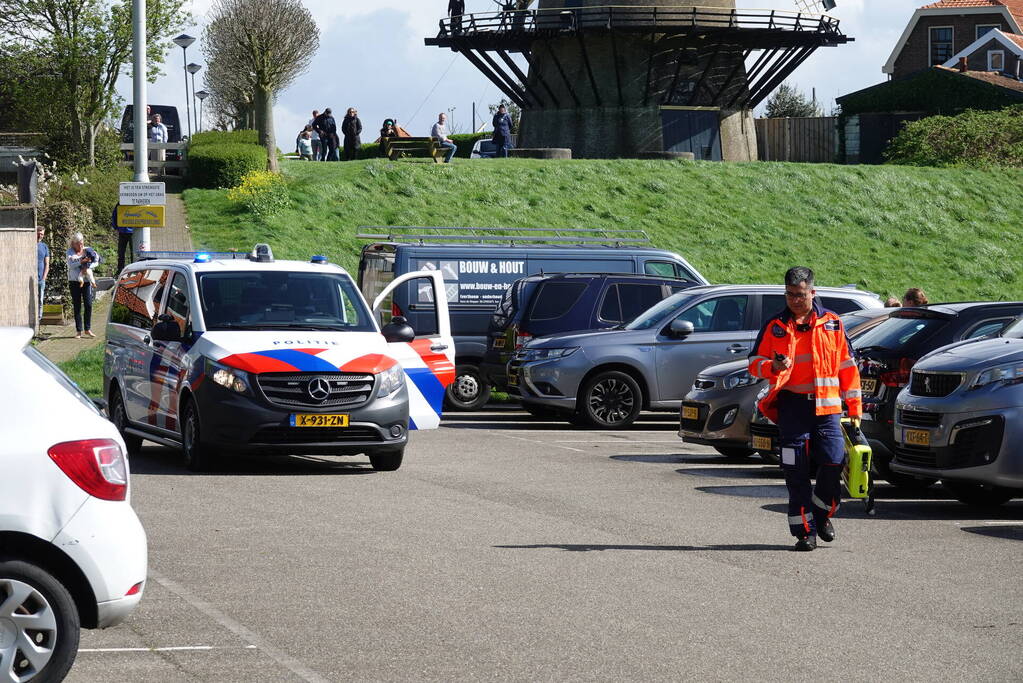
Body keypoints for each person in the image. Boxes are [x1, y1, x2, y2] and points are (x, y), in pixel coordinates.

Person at [748, 267, 862, 552]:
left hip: (827, 407)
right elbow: (753, 362)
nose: (795, 300)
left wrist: (855, 407)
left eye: (800, 295)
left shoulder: (833, 323)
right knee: (795, 471)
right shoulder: (775, 325)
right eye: (790, 294)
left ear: (813, 292)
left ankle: (822, 515)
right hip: (792, 408)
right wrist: (771, 366)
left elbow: (848, 367)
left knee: (834, 461)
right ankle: (805, 533)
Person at [67, 232, 100, 339]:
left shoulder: (88, 250)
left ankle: (87, 329)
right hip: (74, 281)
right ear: (73, 244)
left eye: (82, 243)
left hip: (86, 282)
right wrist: (82, 261)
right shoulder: (70, 252)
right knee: (77, 305)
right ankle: (78, 331)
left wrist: (89, 265)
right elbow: (71, 265)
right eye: (78, 244)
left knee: (89, 304)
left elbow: (97, 261)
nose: (80, 246)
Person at [111, 205, 133, 274]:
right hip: (126, 231)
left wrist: (116, 227)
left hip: (129, 231)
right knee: (123, 253)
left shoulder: (120, 202)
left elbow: (114, 215)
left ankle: (123, 270)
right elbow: (114, 214)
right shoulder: (120, 203)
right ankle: (121, 271)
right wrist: (116, 227)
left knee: (123, 253)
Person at [37, 226, 49, 323]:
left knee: (40, 300)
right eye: (38, 233)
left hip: (41, 278)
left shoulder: (44, 246)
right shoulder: (28, 244)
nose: (40, 235)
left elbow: (47, 264)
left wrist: (44, 277)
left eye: (42, 233)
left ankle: (38, 319)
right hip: (29, 278)